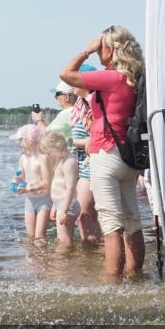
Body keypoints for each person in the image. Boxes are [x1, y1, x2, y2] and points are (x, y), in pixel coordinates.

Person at [61, 26, 145, 277]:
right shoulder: (134, 77)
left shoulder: (112, 77)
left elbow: (66, 74)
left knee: (111, 224)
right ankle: (135, 278)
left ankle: (112, 287)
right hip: (127, 157)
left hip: (106, 154)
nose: (99, 52)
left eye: (102, 47)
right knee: (132, 220)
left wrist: (86, 50)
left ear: (111, 48)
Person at [69, 64, 100, 241]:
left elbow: (93, 138)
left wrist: (74, 142)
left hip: (91, 167)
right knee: (91, 216)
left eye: (75, 79)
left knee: (85, 215)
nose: (71, 83)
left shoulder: (92, 103)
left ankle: (90, 256)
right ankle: (95, 257)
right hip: (84, 166)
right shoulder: (81, 104)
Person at [40, 131, 79, 249]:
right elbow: (58, 185)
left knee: (64, 240)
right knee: (61, 237)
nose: (48, 156)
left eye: (49, 153)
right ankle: (66, 262)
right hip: (60, 204)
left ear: (56, 147)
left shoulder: (69, 163)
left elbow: (70, 188)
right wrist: (54, 207)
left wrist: (64, 210)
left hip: (67, 205)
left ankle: (60, 264)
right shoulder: (62, 161)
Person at [12, 124, 52, 239]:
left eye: (20, 140)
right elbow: (21, 176)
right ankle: (31, 257)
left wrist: (27, 189)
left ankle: (42, 257)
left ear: (29, 141)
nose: (18, 143)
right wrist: (17, 180)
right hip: (29, 200)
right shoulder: (23, 158)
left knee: (39, 236)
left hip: (44, 199)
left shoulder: (43, 158)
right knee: (30, 236)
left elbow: (47, 183)